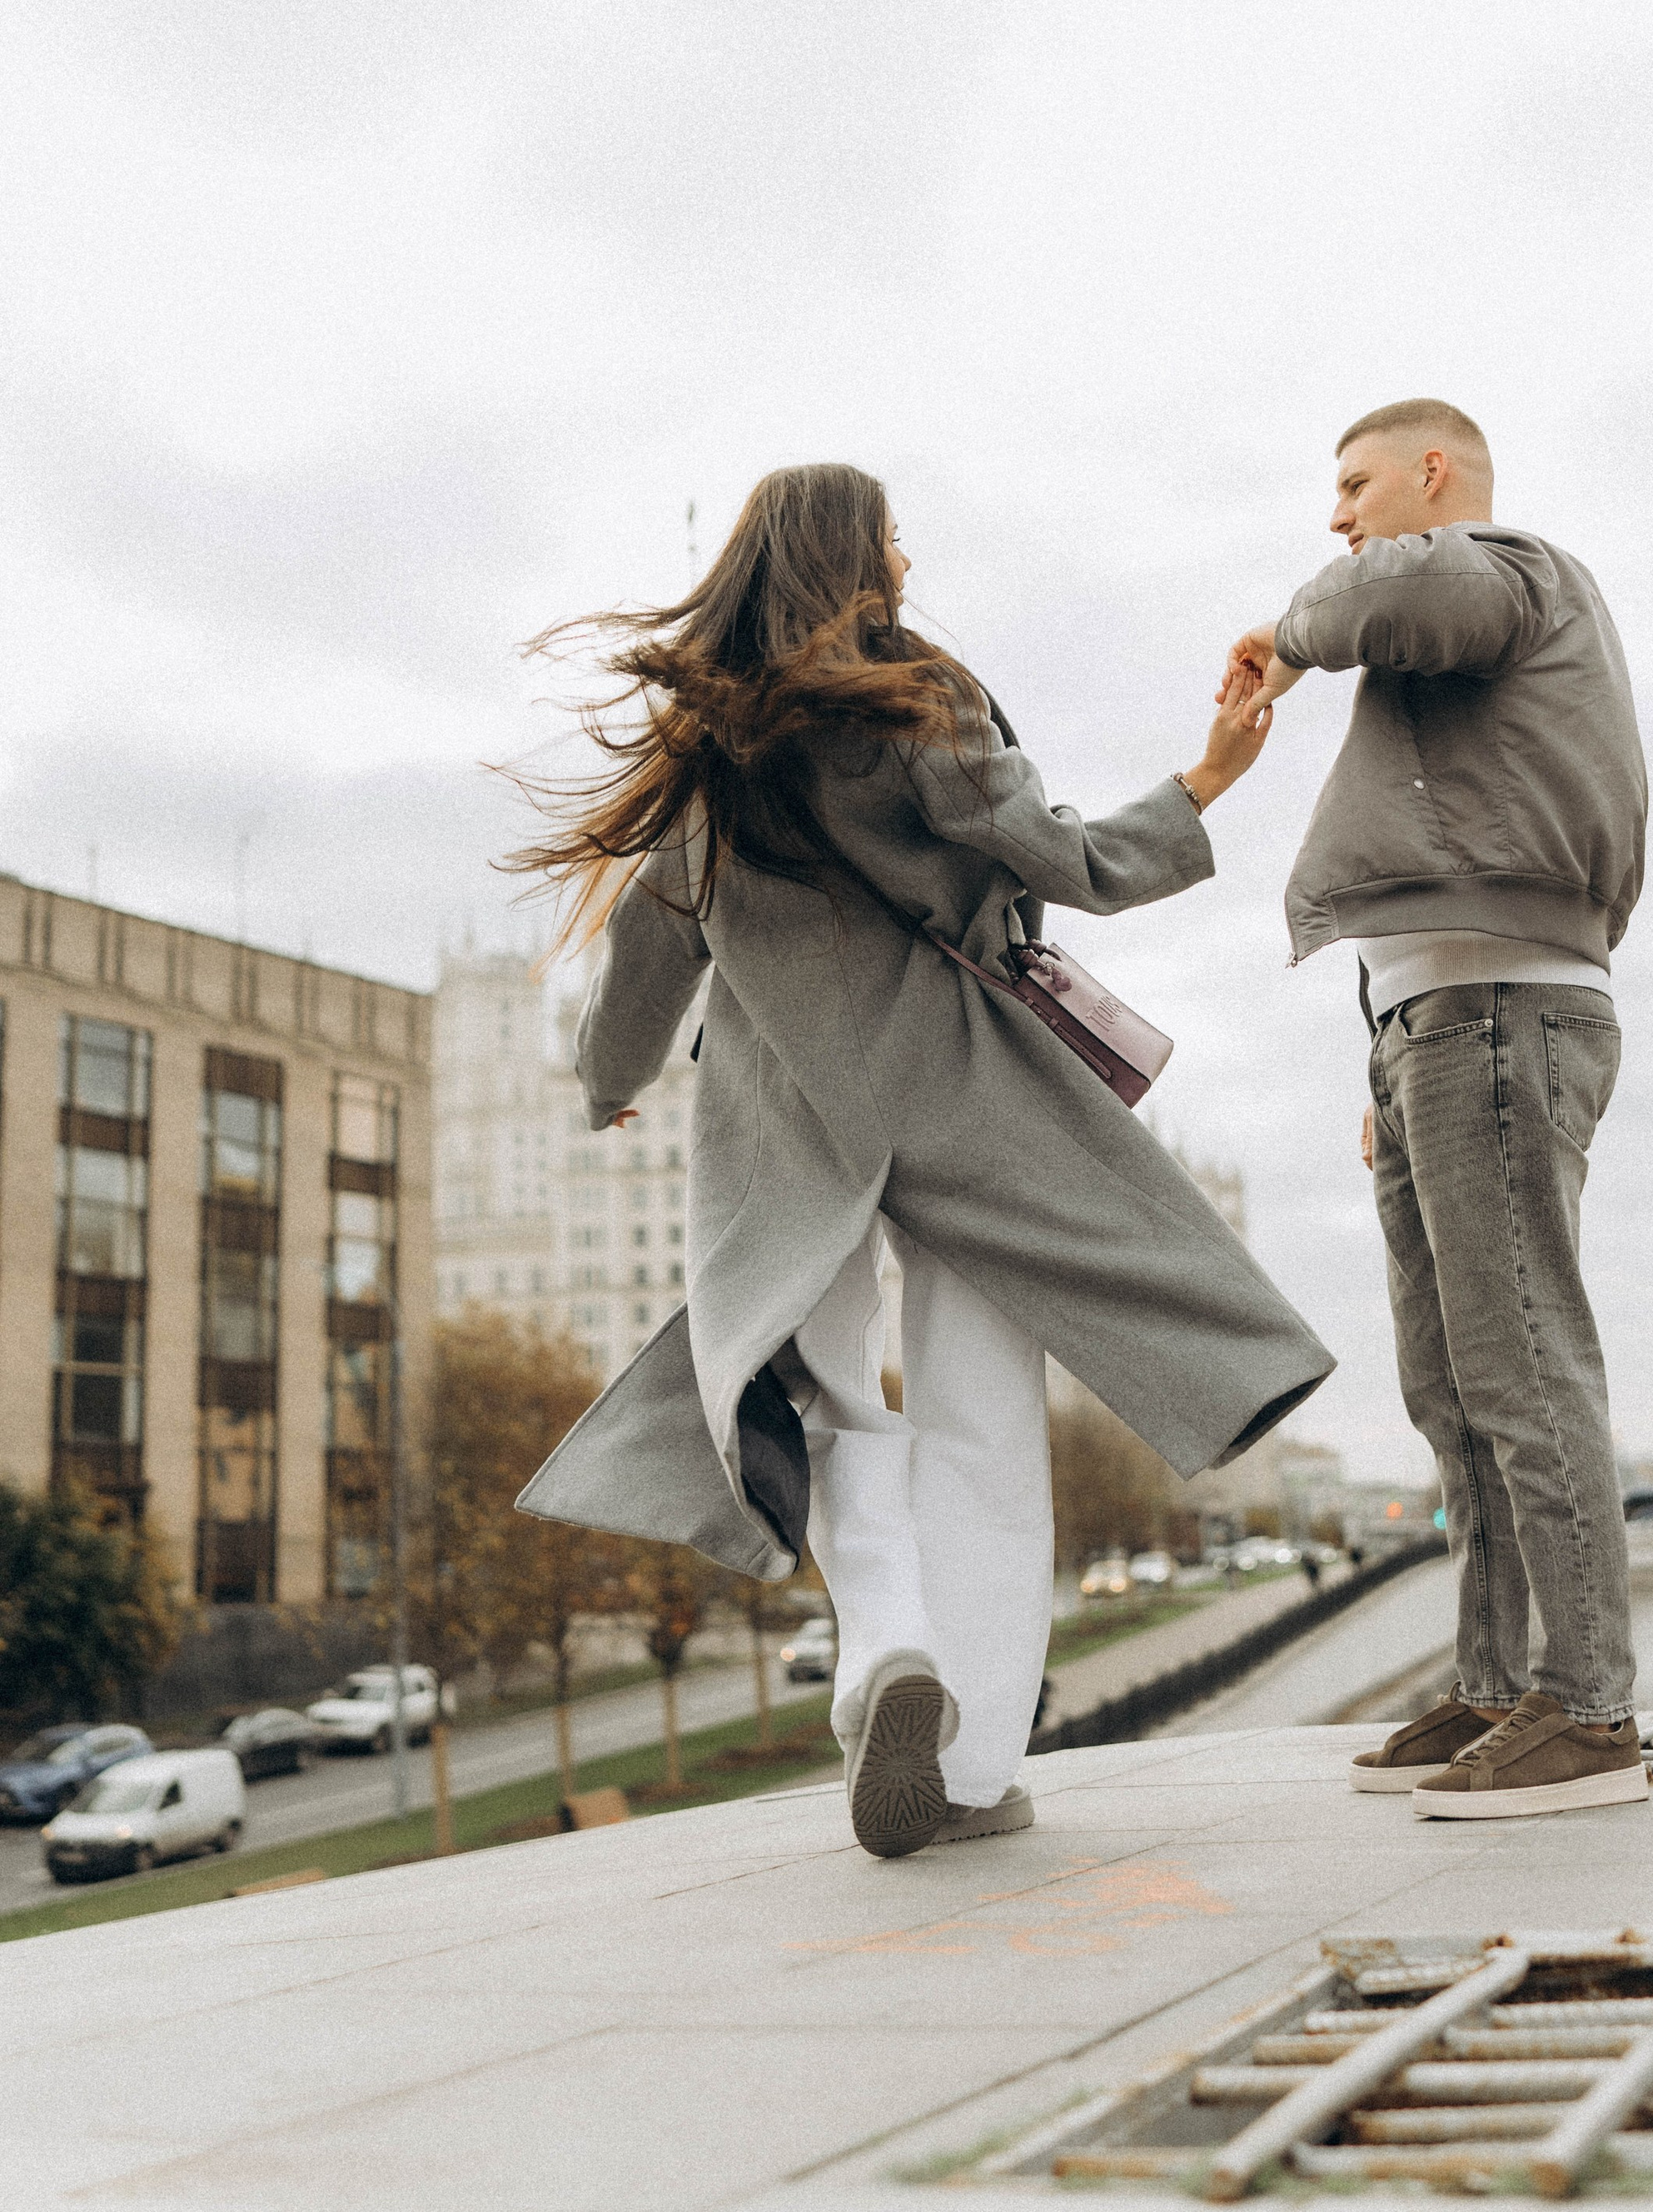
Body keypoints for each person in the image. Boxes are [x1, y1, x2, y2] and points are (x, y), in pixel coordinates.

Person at [506, 463, 1333, 1861]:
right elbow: (1063, 860)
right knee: (982, 1425)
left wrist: (608, 1086)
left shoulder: (713, 748)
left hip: (784, 1114)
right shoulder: (924, 702)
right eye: (890, 540)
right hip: (962, 1099)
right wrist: (1208, 778)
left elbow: (650, 942)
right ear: (854, 559)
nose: (905, 559)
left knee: (832, 1408)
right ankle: (974, 1770)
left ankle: (886, 1648)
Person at [1226, 398, 1648, 1822]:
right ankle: (1497, 1683)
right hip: (1435, 1029)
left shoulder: (1505, 570)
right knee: (1452, 1388)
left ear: (1431, 473)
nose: (1338, 515)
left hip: (1499, 1016)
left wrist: (1287, 639)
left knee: (1519, 1362)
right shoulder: (1466, 611)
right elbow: (1440, 839)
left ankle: (1588, 1711)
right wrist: (1388, 1055)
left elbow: (1394, 595)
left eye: (1355, 485)